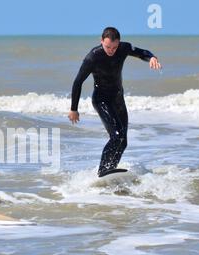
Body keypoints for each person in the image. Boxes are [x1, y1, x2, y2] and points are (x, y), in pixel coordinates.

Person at [69, 27, 162, 177]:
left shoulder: (124, 47)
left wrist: (151, 57)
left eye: (114, 47)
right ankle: (103, 171)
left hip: (118, 99)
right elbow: (77, 82)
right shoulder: (93, 57)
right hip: (101, 100)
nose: (111, 50)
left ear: (119, 43)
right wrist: (74, 109)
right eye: (107, 47)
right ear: (101, 41)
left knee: (123, 141)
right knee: (117, 135)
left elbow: (142, 53)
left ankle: (111, 171)